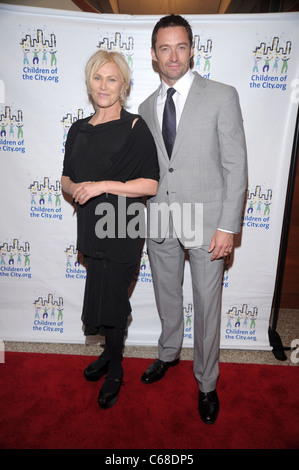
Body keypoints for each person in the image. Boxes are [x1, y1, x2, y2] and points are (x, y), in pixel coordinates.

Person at [138, 15, 247, 424]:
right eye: (164, 48)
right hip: (161, 219)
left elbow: (236, 166)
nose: (173, 56)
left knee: (206, 305)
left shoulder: (222, 95)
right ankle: (168, 354)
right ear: (153, 54)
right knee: (167, 296)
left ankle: (206, 383)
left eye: (180, 46)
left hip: (207, 225)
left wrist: (228, 226)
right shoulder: (146, 107)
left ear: (192, 49)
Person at [61, 50, 159, 409]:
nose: (104, 86)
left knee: (114, 299)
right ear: (89, 82)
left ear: (124, 85)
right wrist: (77, 188)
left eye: (112, 79)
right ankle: (108, 353)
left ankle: (115, 368)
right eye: (98, 78)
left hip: (123, 227)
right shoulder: (78, 129)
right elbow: (65, 178)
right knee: (103, 296)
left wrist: (102, 184)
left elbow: (150, 184)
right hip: (91, 226)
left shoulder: (135, 127)